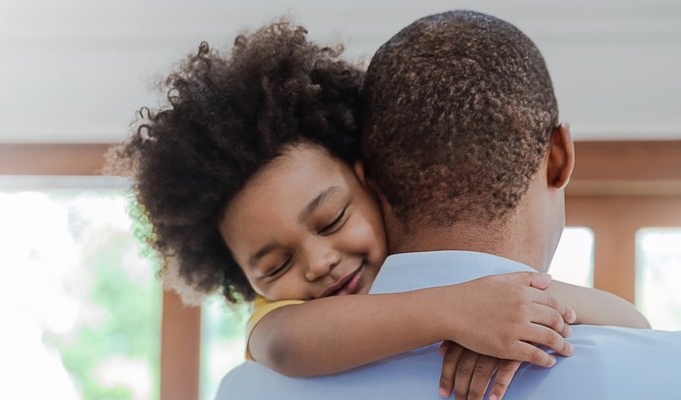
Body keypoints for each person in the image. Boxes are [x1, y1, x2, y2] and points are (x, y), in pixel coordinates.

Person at [213, 10, 681, 400]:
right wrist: (456, 310)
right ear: (558, 157)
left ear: (369, 183)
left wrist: (531, 304)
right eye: (275, 266)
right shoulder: (282, 330)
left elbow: (635, 322)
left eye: (333, 219)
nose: (319, 263)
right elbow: (285, 343)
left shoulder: (244, 391)